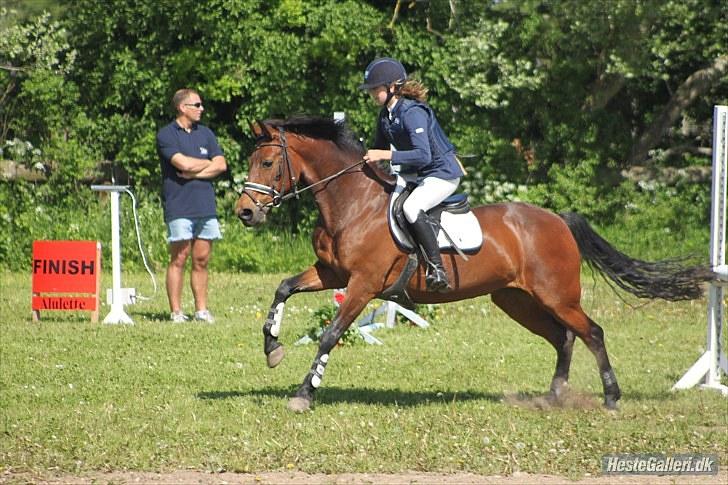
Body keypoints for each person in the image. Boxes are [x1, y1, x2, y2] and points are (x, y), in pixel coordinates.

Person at [360, 57, 464, 292]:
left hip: (441, 174)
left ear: (392, 87)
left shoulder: (412, 112)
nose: (371, 94)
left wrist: (384, 156)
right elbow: (379, 149)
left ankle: (437, 269)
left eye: (375, 89)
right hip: (416, 175)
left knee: (411, 208)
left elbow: (422, 155)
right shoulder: (386, 116)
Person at [156, 88, 228, 322]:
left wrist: (196, 170)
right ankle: (176, 312)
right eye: (196, 105)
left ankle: (201, 310)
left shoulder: (206, 133)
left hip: (205, 206)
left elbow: (221, 165)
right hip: (179, 206)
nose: (201, 109)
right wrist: (206, 165)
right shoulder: (166, 135)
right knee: (179, 258)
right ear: (182, 107)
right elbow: (182, 163)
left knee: (202, 260)